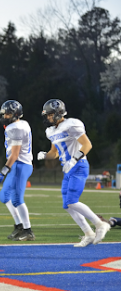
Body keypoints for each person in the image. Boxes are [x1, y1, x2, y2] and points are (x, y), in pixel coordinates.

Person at [37, 99, 110, 247]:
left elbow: (87, 144)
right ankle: (88, 233)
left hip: (79, 165)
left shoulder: (71, 124)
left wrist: (73, 160)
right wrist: (45, 155)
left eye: (50, 115)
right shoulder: (51, 131)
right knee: (67, 205)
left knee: (72, 201)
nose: (48, 118)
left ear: (58, 113)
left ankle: (100, 224)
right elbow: (54, 153)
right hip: (68, 169)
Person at [0, 100, 35, 241]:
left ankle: (28, 230)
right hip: (18, 164)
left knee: (17, 199)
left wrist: (3, 171)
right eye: (5, 113)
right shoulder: (22, 124)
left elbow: (15, 154)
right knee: (4, 196)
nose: (5, 116)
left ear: (16, 114)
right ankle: (19, 226)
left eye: (8, 113)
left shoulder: (15, 128)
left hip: (20, 164)